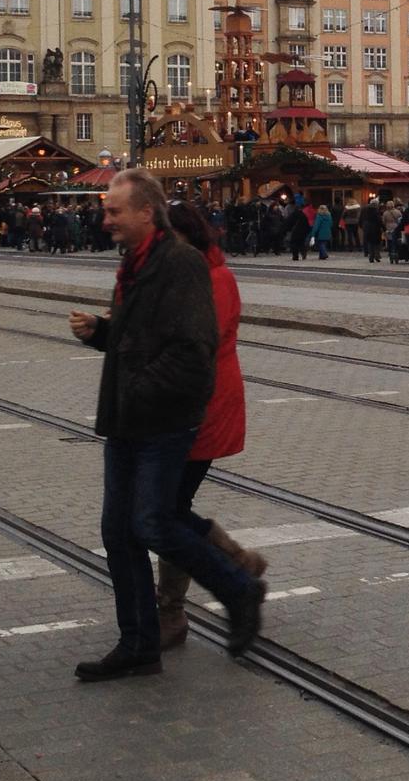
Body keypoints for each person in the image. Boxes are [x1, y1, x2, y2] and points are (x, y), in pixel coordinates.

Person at [67, 169, 262, 679]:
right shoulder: (135, 263)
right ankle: (138, 644)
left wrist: (138, 386)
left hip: (163, 421)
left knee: (153, 522)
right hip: (128, 420)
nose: (105, 218)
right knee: (119, 533)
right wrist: (103, 333)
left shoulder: (181, 264)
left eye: (114, 211)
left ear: (145, 213)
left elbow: (193, 351)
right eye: (105, 210)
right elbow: (147, 338)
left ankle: (239, 589)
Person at [154, 203, 266, 650]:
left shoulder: (215, 279)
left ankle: (181, 605)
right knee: (168, 507)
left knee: (169, 508)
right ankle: (235, 566)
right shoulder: (181, 274)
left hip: (203, 405)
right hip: (181, 405)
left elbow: (197, 343)